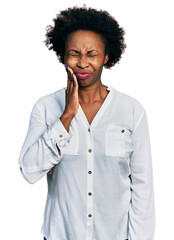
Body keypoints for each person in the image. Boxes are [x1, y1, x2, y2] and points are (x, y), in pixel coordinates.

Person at [18, 5, 155, 240]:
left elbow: (142, 186)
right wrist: (66, 118)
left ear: (106, 56)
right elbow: (29, 171)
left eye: (92, 54)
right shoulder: (46, 107)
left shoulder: (131, 110)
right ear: (63, 55)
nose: (82, 63)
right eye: (74, 53)